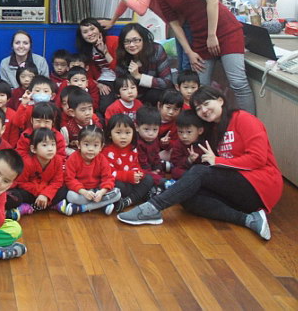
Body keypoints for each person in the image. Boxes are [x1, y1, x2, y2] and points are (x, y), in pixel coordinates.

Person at [119, 86, 282, 241]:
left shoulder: (243, 119)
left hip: (261, 185)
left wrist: (217, 161)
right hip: (237, 189)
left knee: (200, 171)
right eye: (198, 108)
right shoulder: (213, 129)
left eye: (206, 103)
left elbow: (258, 158)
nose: (203, 110)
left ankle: (152, 207)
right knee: (188, 197)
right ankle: (249, 220)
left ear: (220, 100)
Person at [142, 0, 255, 114]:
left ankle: (249, 123)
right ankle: (207, 124)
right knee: (201, 86)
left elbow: (212, 1)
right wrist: (189, 52)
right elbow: (174, 23)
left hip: (225, 31)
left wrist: (212, 35)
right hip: (200, 37)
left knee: (238, 83)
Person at [59, 125, 122, 216]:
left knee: (118, 194)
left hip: (97, 190)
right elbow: (69, 179)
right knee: (70, 196)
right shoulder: (73, 159)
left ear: (101, 147)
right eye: (86, 144)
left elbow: (108, 177)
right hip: (81, 192)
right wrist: (84, 192)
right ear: (79, 145)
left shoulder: (101, 159)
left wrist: (102, 192)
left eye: (95, 145)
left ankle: (82, 208)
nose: (91, 149)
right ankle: (101, 205)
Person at [7, 127, 66, 219]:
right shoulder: (27, 162)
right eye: (44, 145)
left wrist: (46, 194)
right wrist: (40, 192)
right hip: (31, 192)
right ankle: (49, 205)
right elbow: (21, 183)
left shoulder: (58, 160)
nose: (50, 149)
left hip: (47, 191)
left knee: (65, 190)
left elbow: (57, 182)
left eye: (53, 144)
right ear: (33, 149)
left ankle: (30, 207)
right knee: (15, 195)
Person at [102, 114, 154, 212]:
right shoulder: (107, 151)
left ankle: (128, 201)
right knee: (117, 186)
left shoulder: (132, 148)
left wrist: (137, 174)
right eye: (118, 132)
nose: (123, 137)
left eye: (128, 133)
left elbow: (136, 165)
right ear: (109, 134)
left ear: (133, 133)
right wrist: (129, 176)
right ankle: (138, 196)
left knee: (148, 179)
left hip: (131, 182)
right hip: (119, 183)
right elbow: (109, 173)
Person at [114, 23, 173, 105]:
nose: (131, 45)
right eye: (126, 41)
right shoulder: (122, 54)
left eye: (136, 40)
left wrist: (139, 76)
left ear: (144, 39)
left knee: (154, 94)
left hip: (155, 93)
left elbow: (167, 82)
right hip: (132, 94)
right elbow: (119, 83)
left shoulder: (156, 50)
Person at [75, 18, 118, 113]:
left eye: (92, 29)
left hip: (120, 76)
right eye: (85, 32)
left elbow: (119, 69)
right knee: (105, 107)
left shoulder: (114, 40)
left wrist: (104, 52)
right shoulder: (87, 50)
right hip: (105, 79)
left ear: (99, 29)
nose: (90, 33)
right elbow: (87, 75)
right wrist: (98, 84)